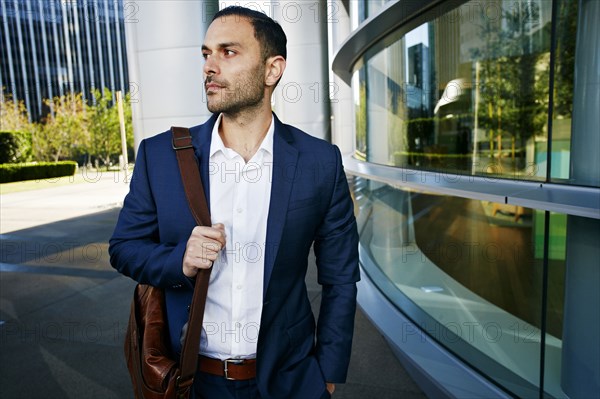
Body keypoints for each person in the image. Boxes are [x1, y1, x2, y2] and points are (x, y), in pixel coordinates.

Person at [109, 5, 359, 399]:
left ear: (272, 70)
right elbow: (123, 249)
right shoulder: (160, 156)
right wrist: (181, 261)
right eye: (206, 53)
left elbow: (340, 277)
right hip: (190, 380)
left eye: (228, 52)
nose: (209, 66)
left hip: (289, 379)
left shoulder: (319, 163)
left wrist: (327, 370)